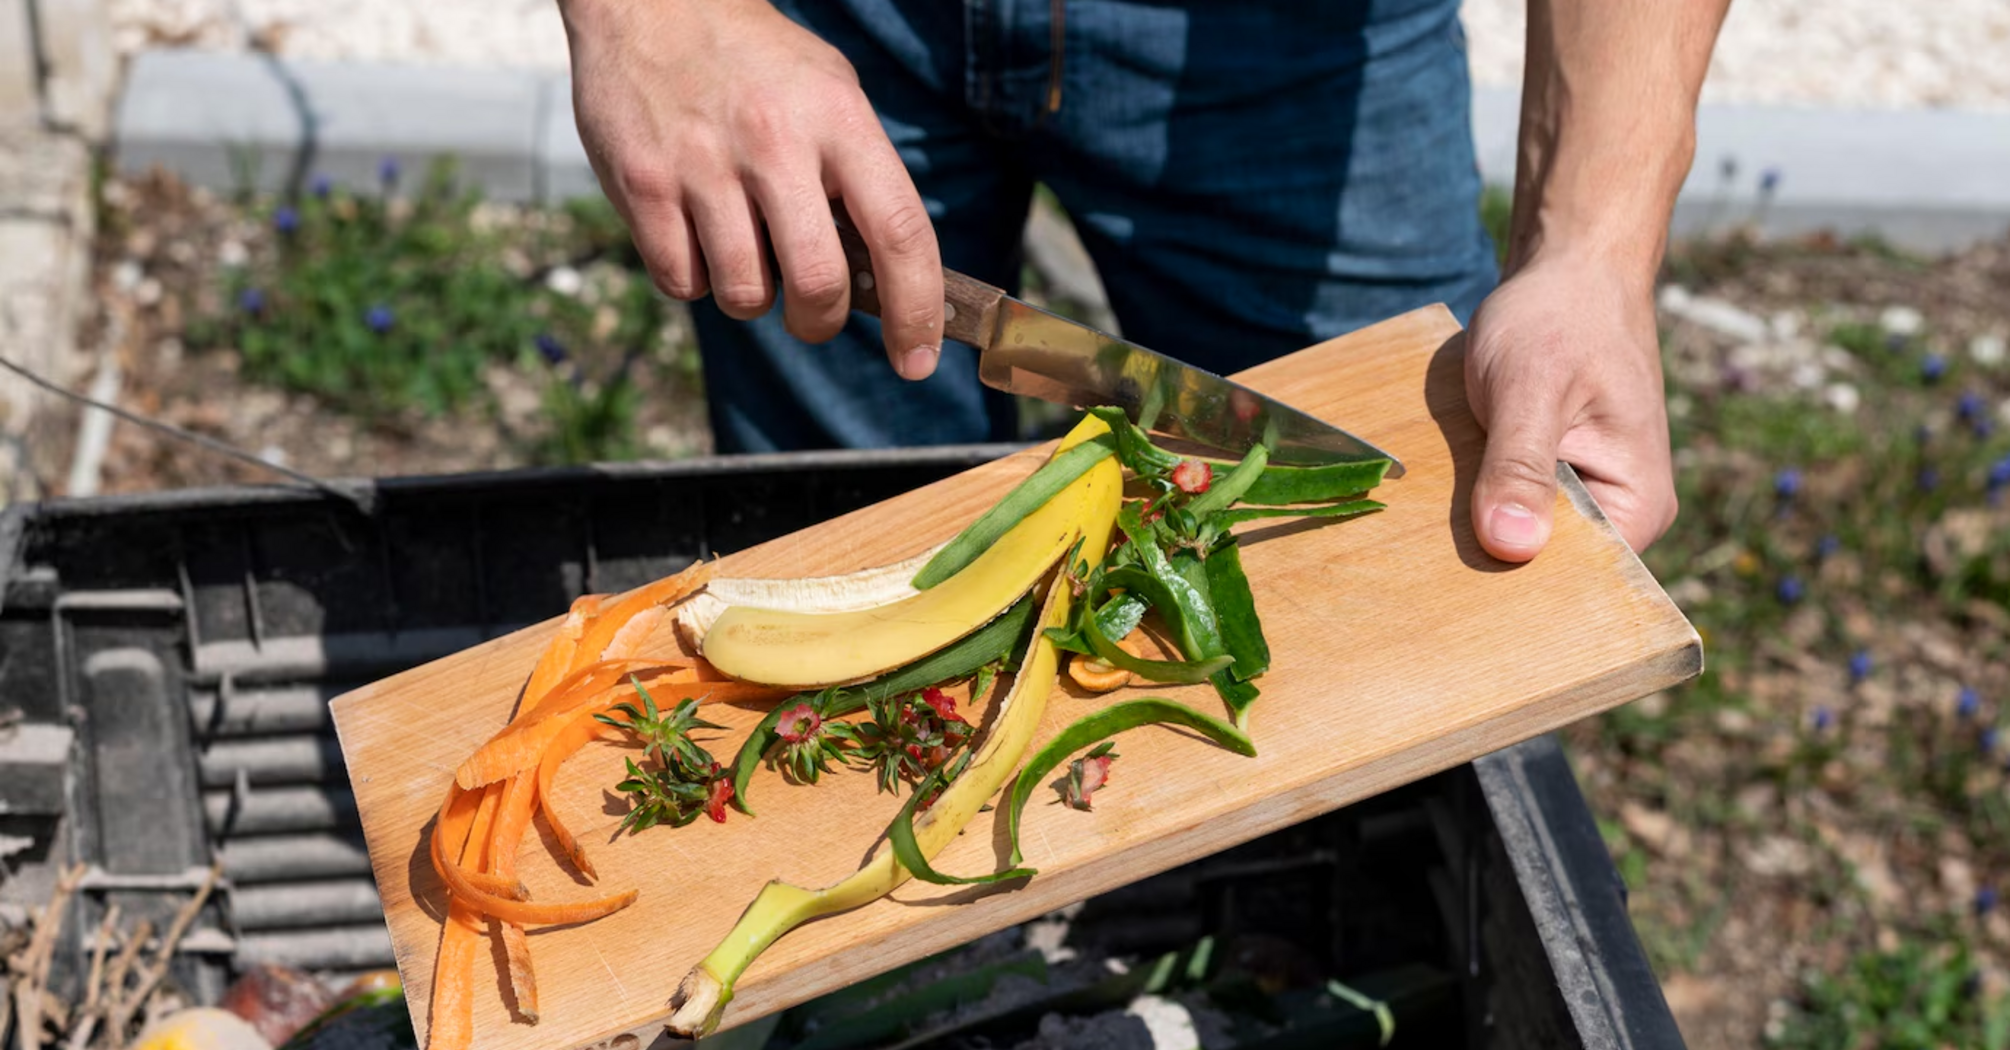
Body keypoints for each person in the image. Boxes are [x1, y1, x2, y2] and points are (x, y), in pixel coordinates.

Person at [557, 0, 1729, 563]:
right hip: (787, 32)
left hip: (1295, 46)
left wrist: (1594, 245)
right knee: (850, 558)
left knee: (1430, 552)